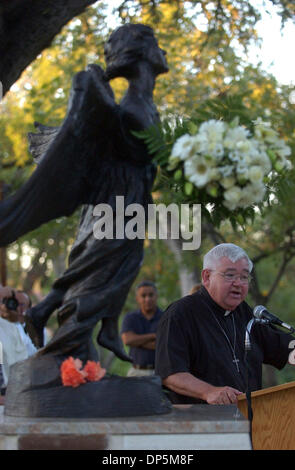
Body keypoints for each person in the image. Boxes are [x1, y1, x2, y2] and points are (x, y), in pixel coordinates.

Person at [0, 24, 169, 371]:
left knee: (116, 269)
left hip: (133, 202)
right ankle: (63, 359)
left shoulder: (145, 104)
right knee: (98, 274)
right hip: (115, 203)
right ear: (142, 53)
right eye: (157, 45)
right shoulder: (127, 106)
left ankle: (53, 316)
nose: (163, 52)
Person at [155, 243, 295, 405]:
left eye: (244, 277)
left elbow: (284, 347)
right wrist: (209, 391)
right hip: (202, 422)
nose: (238, 283)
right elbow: (170, 374)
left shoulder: (246, 313)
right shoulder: (180, 314)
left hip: (252, 420)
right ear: (207, 277)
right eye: (230, 275)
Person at [121, 281, 163, 376]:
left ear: (156, 296)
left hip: (160, 373)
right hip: (136, 372)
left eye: (151, 295)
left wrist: (136, 342)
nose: (147, 299)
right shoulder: (130, 317)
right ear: (137, 299)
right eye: (143, 296)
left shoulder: (165, 317)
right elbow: (127, 340)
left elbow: (163, 345)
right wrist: (154, 335)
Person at [0, 287, 37, 357]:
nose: (17, 308)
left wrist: (12, 322)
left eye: (21, 304)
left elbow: (32, 353)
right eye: (3, 301)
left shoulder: (16, 327)